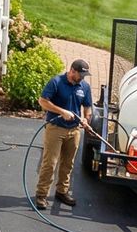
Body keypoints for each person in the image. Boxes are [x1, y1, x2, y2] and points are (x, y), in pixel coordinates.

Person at [35, 58, 94, 209]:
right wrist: (62, 112)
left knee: (68, 163)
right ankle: (41, 194)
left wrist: (86, 119)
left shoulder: (84, 87)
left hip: (74, 131)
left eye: (84, 75)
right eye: (80, 74)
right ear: (72, 70)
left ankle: (62, 191)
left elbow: (87, 107)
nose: (82, 78)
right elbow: (43, 101)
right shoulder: (56, 82)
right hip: (55, 128)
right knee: (50, 163)